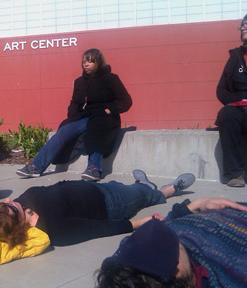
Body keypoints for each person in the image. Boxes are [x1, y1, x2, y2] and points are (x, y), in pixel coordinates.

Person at [0, 170, 195, 247]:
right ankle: (169, 190)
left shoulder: (22, 207)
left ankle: (141, 185)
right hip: (111, 204)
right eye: (10, 210)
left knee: (128, 188)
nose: (11, 202)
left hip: (97, 188)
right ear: (16, 225)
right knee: (142, 196)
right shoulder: (53, 229)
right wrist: (140, 224)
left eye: (4, 203)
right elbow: (97, 229)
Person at [16, 48, 132, 181]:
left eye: (90, 61)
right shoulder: (80, 81)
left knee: (97, 130)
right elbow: (75, 102)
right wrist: (72, 116)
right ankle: (35, 166)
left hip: (104, 117)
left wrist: (110, 110)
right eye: (84, 62)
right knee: (64, 131)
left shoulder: (111, 78)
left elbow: (126, 101)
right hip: (85, 116)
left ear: (98, 62)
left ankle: (94, 168)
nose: (86, 64)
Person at [97, 198, 247, 288]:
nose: (149, 232)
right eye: (161, 250)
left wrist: (192, 206)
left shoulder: (126, 267)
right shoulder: (235, 273)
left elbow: (166, 224)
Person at [215, 14, 247, 187]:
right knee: (227, 115)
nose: (243, 27)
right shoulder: (235, 58)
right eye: (242, 25)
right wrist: (237, 99)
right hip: (239, 106)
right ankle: (234, 174)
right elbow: (221, 90)